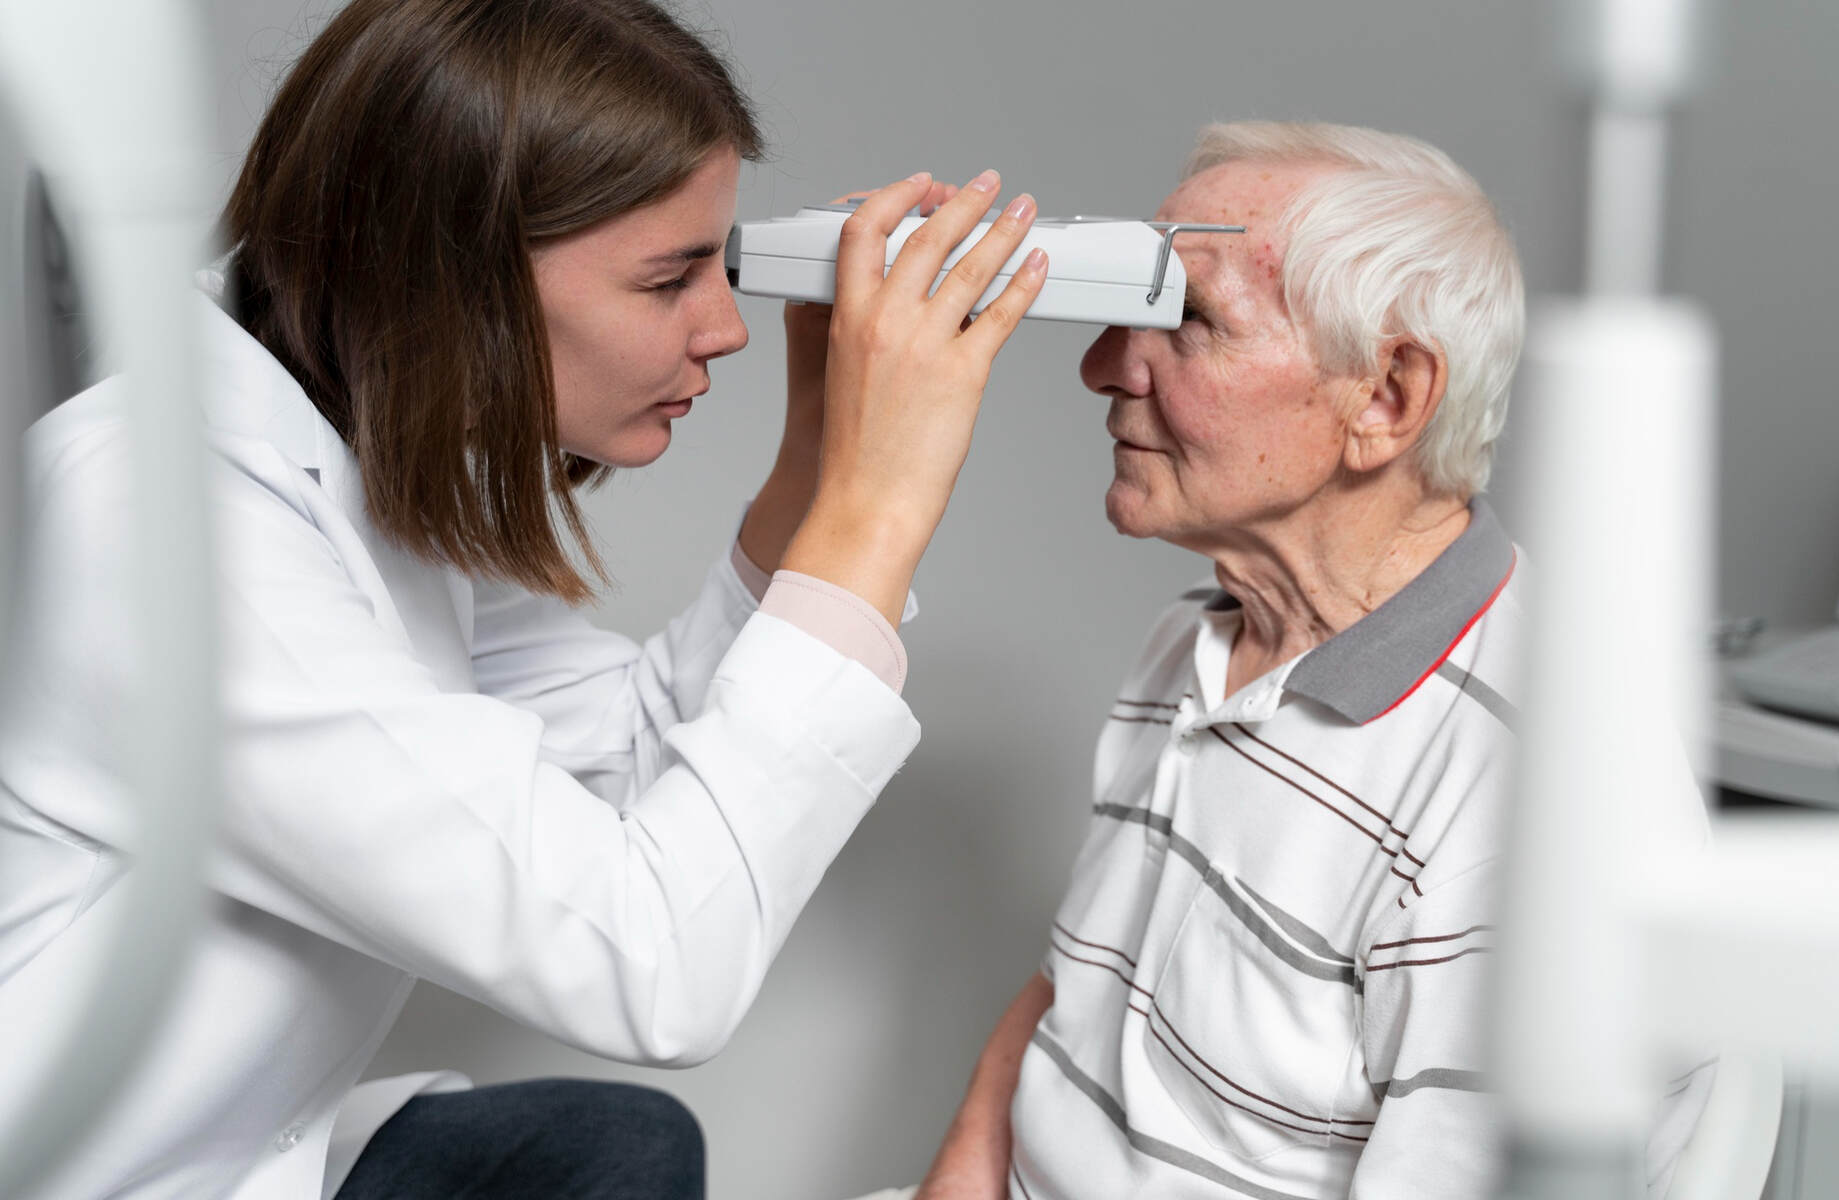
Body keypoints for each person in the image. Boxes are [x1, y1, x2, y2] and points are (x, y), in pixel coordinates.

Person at [0, 1, 1051, 1197]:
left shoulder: (330, 453)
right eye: (668, 279)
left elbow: (633, 758)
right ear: (449, 280)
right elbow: (650, 965)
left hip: (226, 1157)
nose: (725, 328)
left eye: (718, 266)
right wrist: (876, 511)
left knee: (619, 1145)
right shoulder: (167, 533)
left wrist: (818, 460)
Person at [900, 121, 1714, 1200]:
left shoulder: (1539, 798)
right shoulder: (1200, 643)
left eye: (1186, 318)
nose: (1101, 367)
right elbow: (1071, 994)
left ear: (1385, 397)